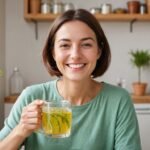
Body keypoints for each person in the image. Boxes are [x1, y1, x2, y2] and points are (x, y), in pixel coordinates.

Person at [0, 9, 141, 150]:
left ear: (99, 50)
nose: (75, 55)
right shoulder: (31, 97)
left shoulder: (118, 101)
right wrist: (20, 131)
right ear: (53, 52)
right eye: (65, 45)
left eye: (86, 44)